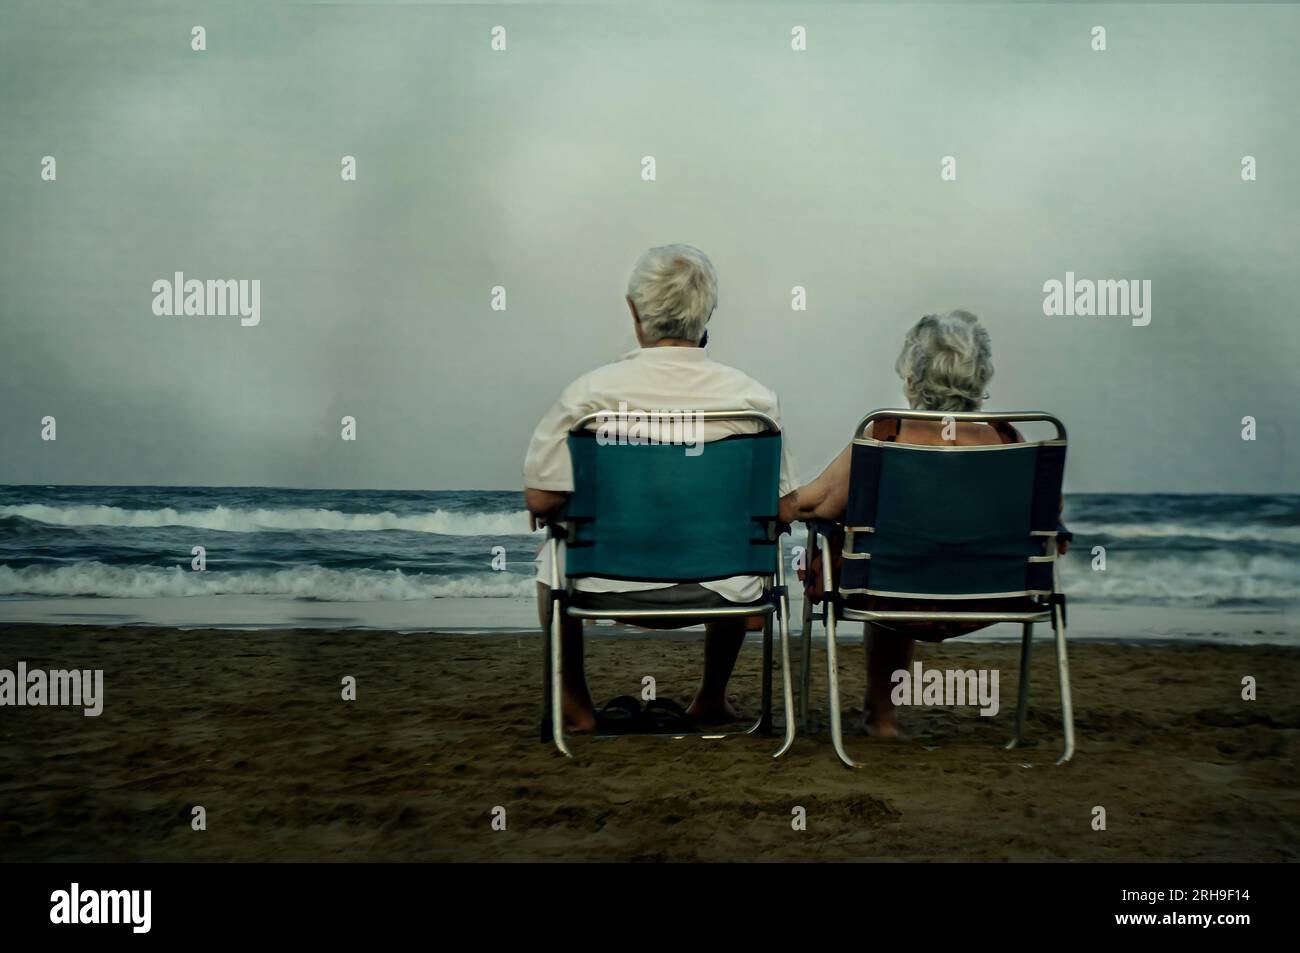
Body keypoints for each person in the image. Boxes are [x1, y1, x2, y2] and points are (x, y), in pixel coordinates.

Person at [524, 244, 797, 732]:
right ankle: (711, 698)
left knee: (552, 562)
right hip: (723, 589)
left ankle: (575, 704)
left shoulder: (589, 396)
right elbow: (783, 507)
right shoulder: (752, 400)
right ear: (708, 313)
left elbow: (541, 499)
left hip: (603, 585)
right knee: (747, 534)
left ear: (634, 311)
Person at [780, 310, 1068, 738]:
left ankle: (882, 720)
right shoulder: (1008, 442)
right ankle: (881, 715)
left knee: (880, 563)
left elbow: (815, 504)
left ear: (912, 374)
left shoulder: (885, 436)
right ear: (980, 376)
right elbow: (1048, 519)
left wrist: (774, 505)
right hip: (992, 596)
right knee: (893, 561)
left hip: (892, 593)